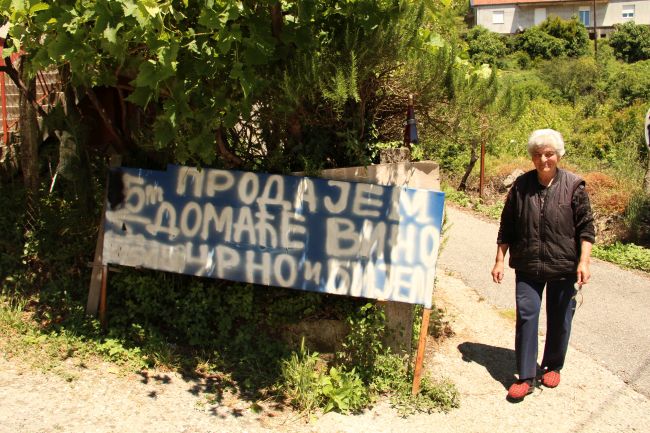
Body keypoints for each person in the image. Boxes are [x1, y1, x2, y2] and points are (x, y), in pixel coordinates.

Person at [491, 128, 595, 401]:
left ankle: (552, 365)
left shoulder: (574, 186)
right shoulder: (520, 186)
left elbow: (586, 228)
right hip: (528, 264)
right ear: (532, 157)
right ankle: (525, 376)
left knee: (560, 318)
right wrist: (499, 260)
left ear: (558, 155)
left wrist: (584, 261)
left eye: (549, 154)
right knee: (527, 316)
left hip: (563, 265)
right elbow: (507, 226)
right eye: (538, 154)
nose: (543, 159)